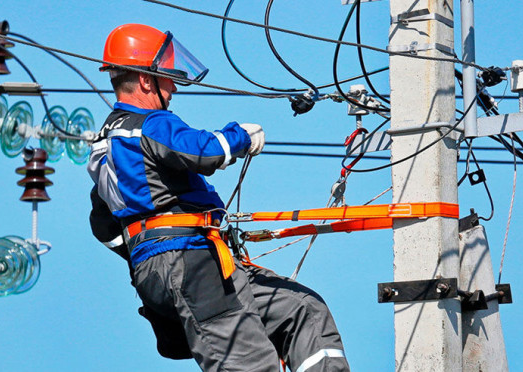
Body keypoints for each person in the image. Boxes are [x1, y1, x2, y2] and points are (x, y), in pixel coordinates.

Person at [88, 23, 350, 372]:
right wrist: (241, 135)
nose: (174, 86)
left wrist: (151, 256)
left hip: (174, 266)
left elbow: (104, 227)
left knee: (302, 308)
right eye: (168, 77)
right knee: (251, 365)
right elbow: (205, 151)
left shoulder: (108, 145)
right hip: (190, 264)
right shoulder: (151, 124)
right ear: (147, 80)